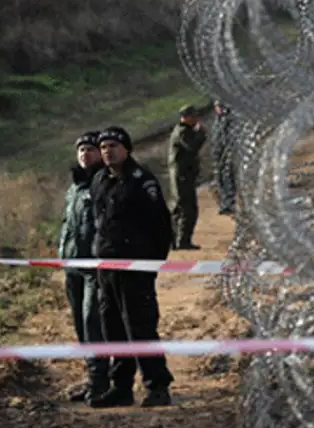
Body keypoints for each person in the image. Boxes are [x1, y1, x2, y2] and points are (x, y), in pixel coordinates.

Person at [88, 126, 175, 408]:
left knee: (140, 326)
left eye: (113, 145)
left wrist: (151, 264)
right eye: (103, 147)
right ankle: (121, 386)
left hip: (135, 267)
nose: (107, 151)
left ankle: (157, 386)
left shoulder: (141, 181)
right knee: (111, 326)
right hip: (106, 267)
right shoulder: (100, 179)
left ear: (126, 149)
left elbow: (161, 226)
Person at [58, 131, 109, 403]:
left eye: (90, 149)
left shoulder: (104, 183)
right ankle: (92, 378)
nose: (84, 154)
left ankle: (102, 382)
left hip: (95, 268)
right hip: (72, 265)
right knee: (80, 324)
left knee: (93, 324)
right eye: (81, 150)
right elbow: (68, 225)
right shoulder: (75, 187)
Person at [168, 105, 207, 249]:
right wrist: (201, 134)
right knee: (187, 209)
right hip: (182, 176)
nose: (196, 119)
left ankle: (176, 241)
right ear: (186, 117)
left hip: (184, 175)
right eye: (193, 116)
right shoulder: (183, 131)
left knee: (181, 208)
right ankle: (182, 241)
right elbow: (192, 147)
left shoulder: (185, 130)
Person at [210, 100, 237, 215]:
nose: (218, 109)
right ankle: (224, 202)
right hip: (218, 152)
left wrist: (227, 152)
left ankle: (230, 202)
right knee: (219, 177)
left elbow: (229, 139)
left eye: (220, 106)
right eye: (216, 107)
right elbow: (216, 139)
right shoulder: (218, 120)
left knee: (227, 176)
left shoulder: (229, 120)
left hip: (227, 152)